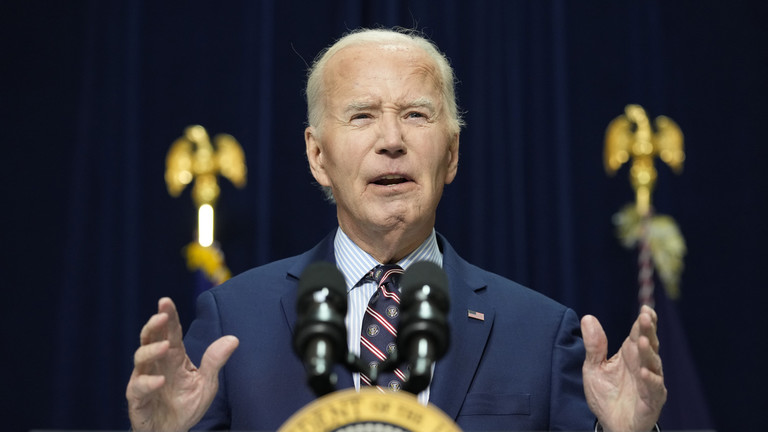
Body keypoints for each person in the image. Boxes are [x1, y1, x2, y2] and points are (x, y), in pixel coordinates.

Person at [126, 28, 666, 432]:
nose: (391, 140)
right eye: (361, 116)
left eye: (415, 114)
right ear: (318, 156)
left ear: (451, 154)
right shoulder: (234, 321)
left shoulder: (539, 332)